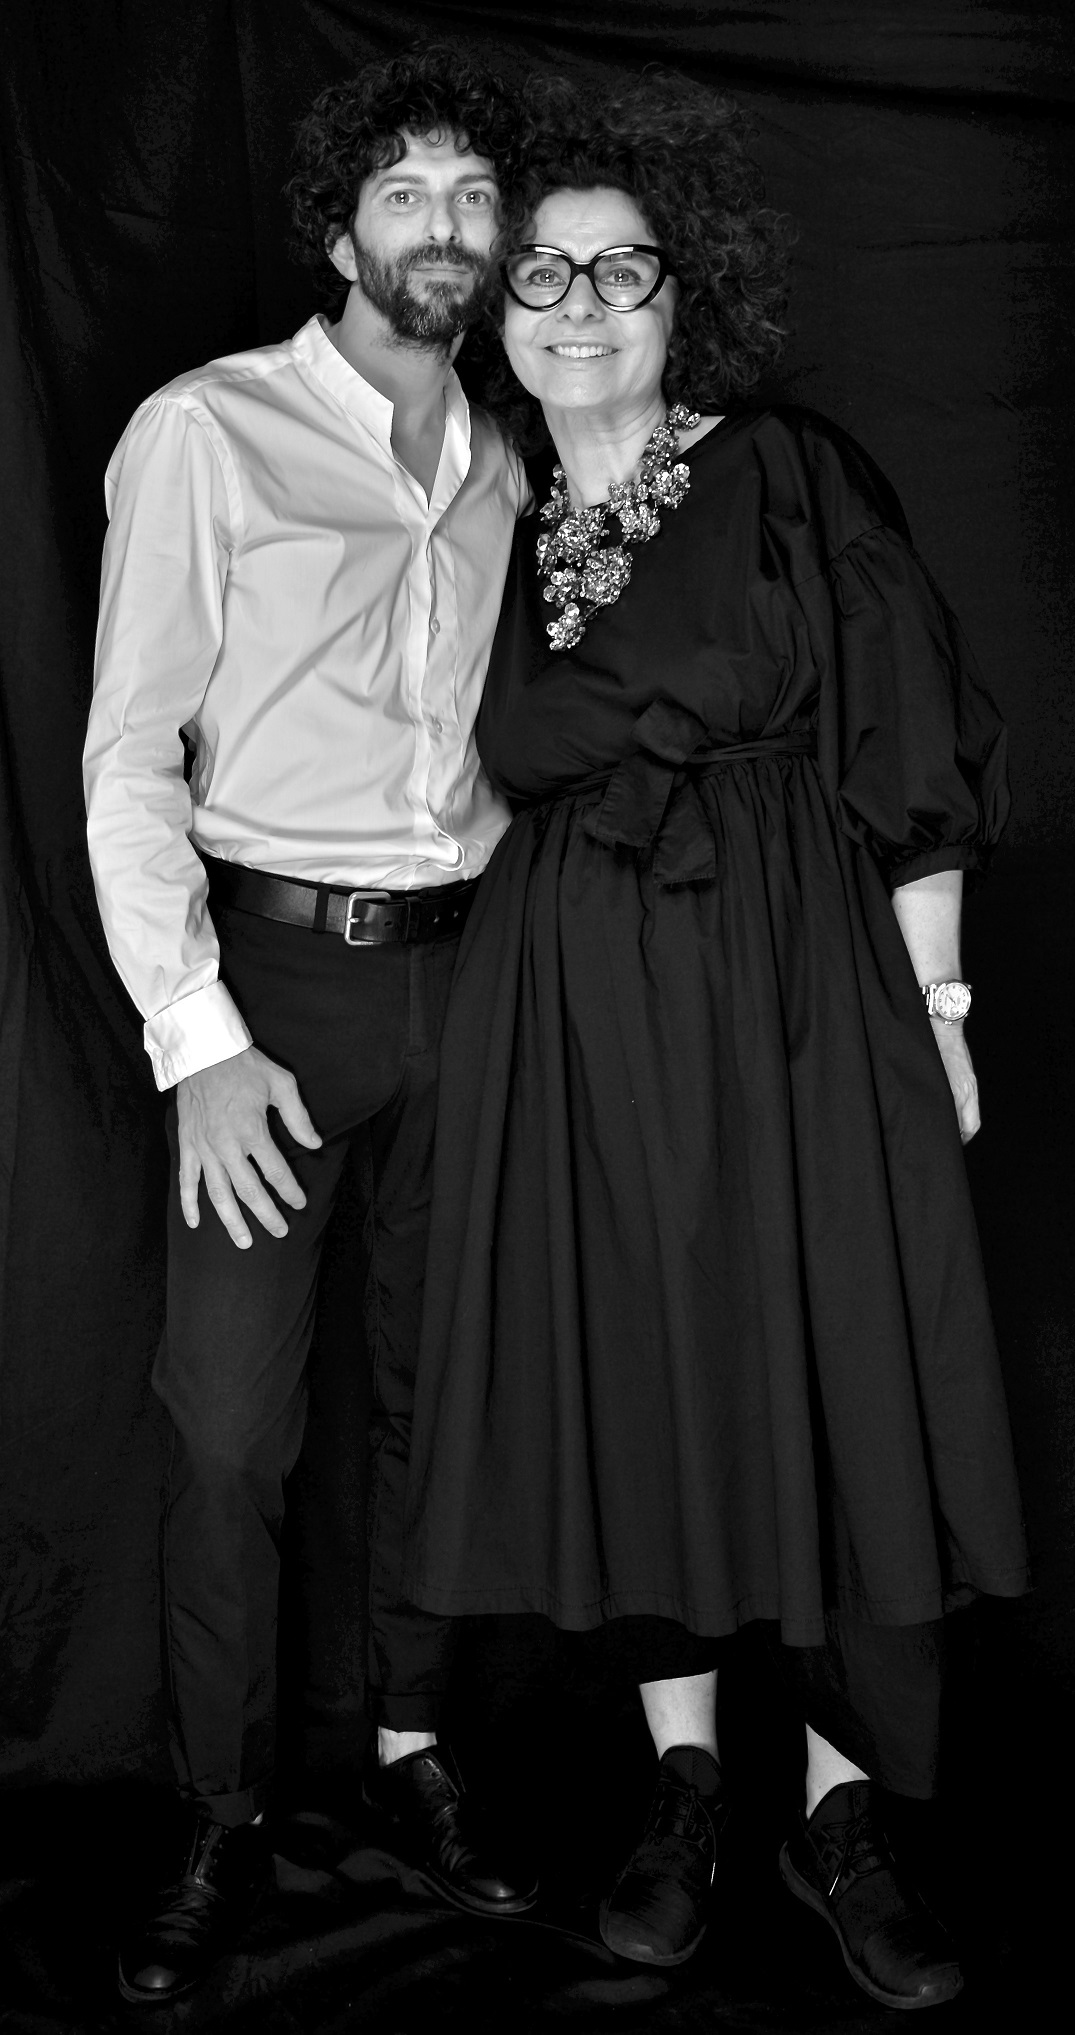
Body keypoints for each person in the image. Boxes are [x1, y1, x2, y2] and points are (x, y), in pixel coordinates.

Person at [402, 72, 1028, 2010]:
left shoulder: (784, 472)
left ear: (689, 296)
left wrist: (936, 1004)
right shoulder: (488, 523)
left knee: (840, 1368)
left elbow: (905, 739)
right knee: (641, 1369)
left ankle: (837, 1817)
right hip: (577, 1015)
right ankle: (684, 1783)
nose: (579, 305)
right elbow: (452, 783)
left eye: (623, 270)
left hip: (792, 986)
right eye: (541, 273)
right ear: (498, 309)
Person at [84, 44, 540, 2007]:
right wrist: (197, 1039)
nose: (444, 225)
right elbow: (128, 754)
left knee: (444, 1408)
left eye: (473, 195)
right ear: (340, 228)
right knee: (227, 1432)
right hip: (275, 987)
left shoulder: (516, 452)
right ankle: (219, 1806)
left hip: (479, 978)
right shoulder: (211, 430)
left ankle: (414, 1758)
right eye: (406, 192)